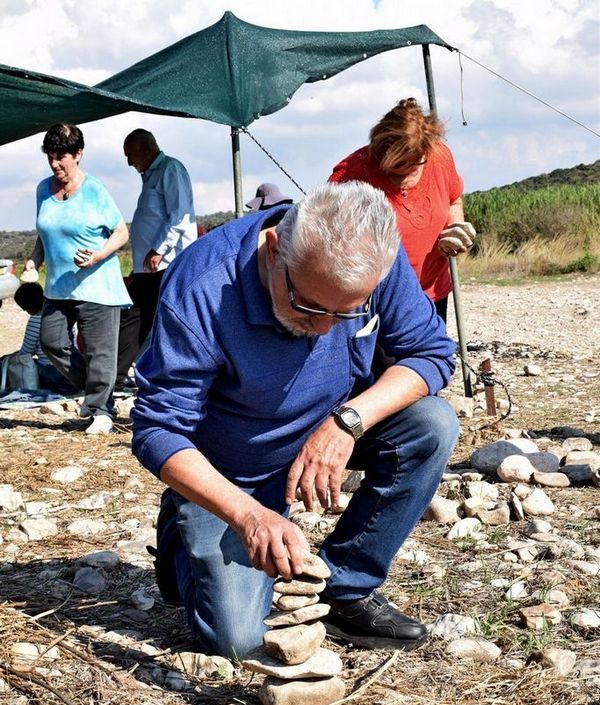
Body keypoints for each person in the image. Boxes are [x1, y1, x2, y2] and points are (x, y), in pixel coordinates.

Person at [132, 182, 459, 661]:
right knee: (240, 641)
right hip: (231, 474)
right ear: (273, 251)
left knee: (432, 424)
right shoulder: (202, 286)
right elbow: (158, 429)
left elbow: (431, 353)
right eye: (309, 306)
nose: (325, 326)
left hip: (328, 427)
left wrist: (348, 421)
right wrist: (248, 515)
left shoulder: (370, 262)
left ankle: (346, 585)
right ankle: (183, 535)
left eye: (346, 312)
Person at [24, 123, 131, 435]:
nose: (56, 163)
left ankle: (100, 410)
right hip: (58, 286)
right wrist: (33, 261)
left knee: (101, 351)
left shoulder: (96, 190)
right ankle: (99, 394)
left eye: (62, 157)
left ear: (78, 154)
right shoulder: (43, 190)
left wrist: (98, 256)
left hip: (97, 284)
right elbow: (44, 235)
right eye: (51, 156)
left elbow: (121, 232)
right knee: (51, 341)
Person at [329, 98, 475, 322]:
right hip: (373, 299)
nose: (403, 175)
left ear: (425, 152)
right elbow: (326, 235)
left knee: (428, 356)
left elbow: (453, 199)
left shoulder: (440, 157)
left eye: (411, 165)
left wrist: (455, 230)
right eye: (394, 168)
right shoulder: (353, 171)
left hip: (430, 292)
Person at [116, 129, 196, 388]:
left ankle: (167, 374)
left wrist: (159, 249)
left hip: (167, 263)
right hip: (147, 267)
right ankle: (117, 376)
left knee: (164, 319)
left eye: (130, 156)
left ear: (144, 149)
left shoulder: (170, 170)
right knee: (134, 317)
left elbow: (180, 215)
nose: (129, 163)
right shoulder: (150, 176)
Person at [13, 282, 76, 394]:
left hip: (52, 373)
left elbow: (26, 353)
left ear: (26, 307)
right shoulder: (63, 315)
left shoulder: (36, 320)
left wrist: (11, 359)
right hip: (74, 369)